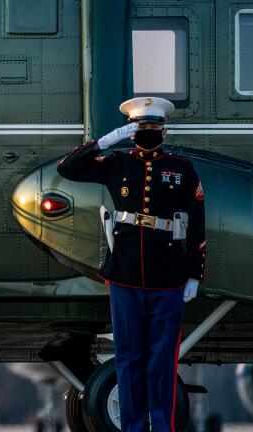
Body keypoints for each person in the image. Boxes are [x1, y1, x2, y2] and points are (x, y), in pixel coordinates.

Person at [57, 97, 206, 432]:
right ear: (132, 131)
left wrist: (195, 274)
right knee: (128, 359)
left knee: (162, 362)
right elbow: (67, 168)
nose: (147, 133)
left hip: (167, 276)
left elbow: (197, 222)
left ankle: (162, 427)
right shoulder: (116, 163)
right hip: (124, 274)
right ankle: (133, 427)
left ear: (163, 131)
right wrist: (106, 140)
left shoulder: (181, 169)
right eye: (141, 128)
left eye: (152, 127)